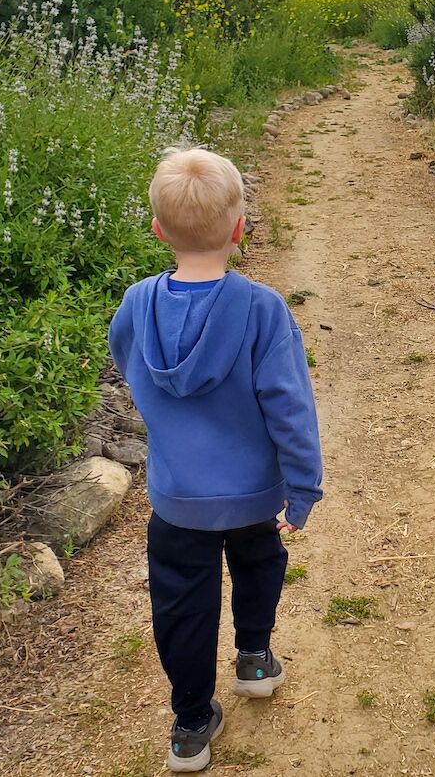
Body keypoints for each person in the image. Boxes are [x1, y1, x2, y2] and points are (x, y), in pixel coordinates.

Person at [108, 147, 323, 773]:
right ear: (239, 228)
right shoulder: (260, 310)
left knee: (180, 605)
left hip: (176, 499)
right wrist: (303, 487)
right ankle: (254, 658)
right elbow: (289, 407)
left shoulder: (136, 304)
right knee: (259, 566)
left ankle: (191, 722)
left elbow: (129, 366)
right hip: (254, 492)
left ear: (157, 230)